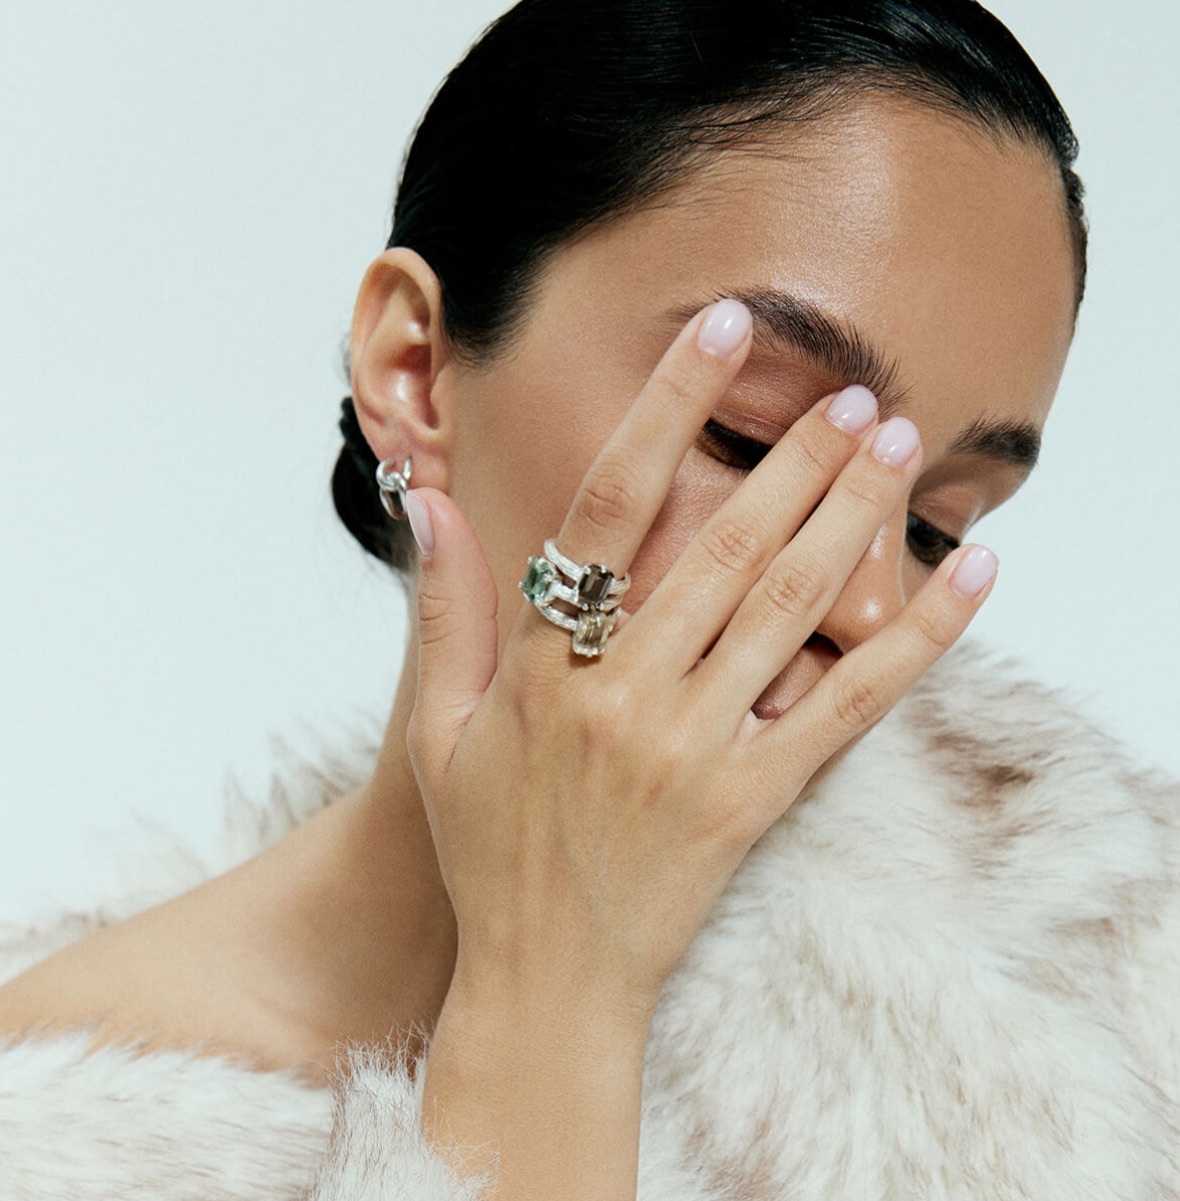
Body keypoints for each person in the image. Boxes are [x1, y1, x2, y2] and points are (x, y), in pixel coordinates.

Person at [1, 0, 1176, 1198]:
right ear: (412, 372)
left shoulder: (1105, 968)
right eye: (753, 436)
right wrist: (555, 984)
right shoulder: (59, 1139)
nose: (867, 604)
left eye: (934, 524)